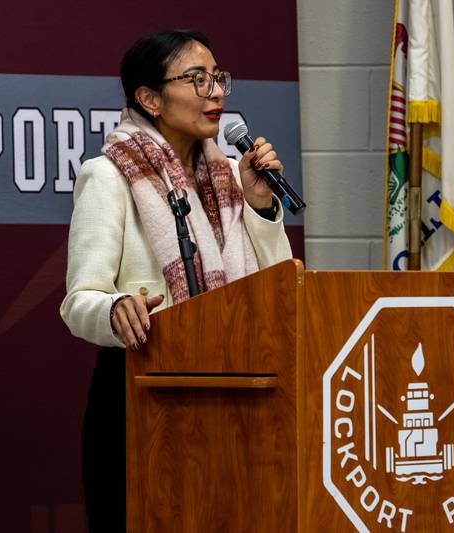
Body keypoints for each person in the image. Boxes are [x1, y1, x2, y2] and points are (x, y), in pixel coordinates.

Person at [58, 30, 292, 530]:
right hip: (139, 395)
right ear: (149, 98)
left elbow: (276, 288)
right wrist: (114, 308)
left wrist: (259, 205)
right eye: (196, 79)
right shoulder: (109, 176)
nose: (216, 92)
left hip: (230, 393)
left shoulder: (233, 175)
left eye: (218, 78)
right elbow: (79, 301)